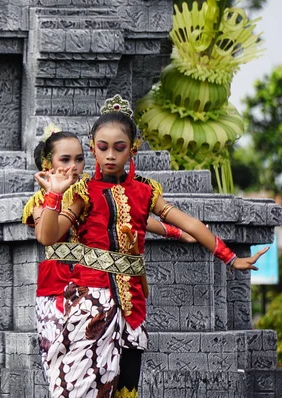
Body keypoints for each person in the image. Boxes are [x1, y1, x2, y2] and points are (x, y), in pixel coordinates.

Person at [30, 95, 268, 398]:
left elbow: (191, 224)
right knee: (81, 387)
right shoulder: (81, 192)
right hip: (92, 301)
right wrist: (53, 196)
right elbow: (48, 237)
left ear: (134, 149)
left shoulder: (145, 190)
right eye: (102, 148)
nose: (111, 155)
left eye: (120, 148)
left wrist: (231, 258)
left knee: (127, 390)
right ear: (93, 148)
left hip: (134, 304)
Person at [22, 124, 194, 376]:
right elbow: (45, 236)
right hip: (57, 288)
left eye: (80, 159)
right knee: (64, 369)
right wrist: (53, 197)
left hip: (95, 286)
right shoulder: (41, 201)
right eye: (65, 159)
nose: (74, 166)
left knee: (107, 369)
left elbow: (136, 217)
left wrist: (177, 232)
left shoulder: (93, 191)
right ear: (49, 163)